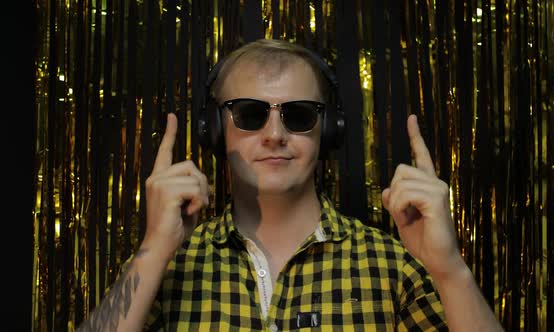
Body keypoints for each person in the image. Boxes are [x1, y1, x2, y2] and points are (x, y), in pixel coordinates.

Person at [77, 39, 504, 331]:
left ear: (330, 131)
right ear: (213, 131)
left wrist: (451, 270)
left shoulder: (394, 265)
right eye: (248, 113)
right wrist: (152, 252)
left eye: (298, 115)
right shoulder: (166, 267)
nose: (275, 134)